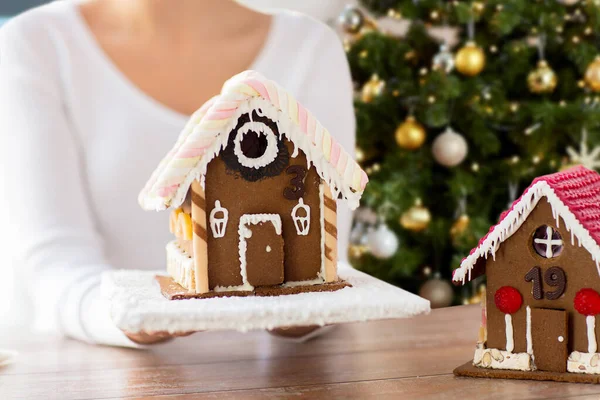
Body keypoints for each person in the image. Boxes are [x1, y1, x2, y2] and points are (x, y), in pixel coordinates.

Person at [0, 0, 355, 346]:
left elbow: (324, 253)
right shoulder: (35, 44)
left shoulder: (309, 47)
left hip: (286, 375)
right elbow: (55, 266)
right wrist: (137, 315)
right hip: (96, 374)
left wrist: (306, 308)